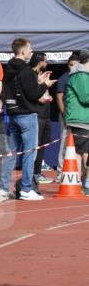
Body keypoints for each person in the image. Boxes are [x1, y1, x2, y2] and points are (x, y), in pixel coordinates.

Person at [0, 37, 52, 201]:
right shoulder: (26, 70)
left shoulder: (8, 68)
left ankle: (2, 188)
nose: (31, 51)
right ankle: (26, 189)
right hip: (27, 115)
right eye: (29, 48)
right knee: (30, 153)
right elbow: (34, 94)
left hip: (13, 114)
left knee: (11, 153)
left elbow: (10, 90)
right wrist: (44, 85)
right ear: (23, 51)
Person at [64, 49, 89, 192]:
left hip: (84, 118)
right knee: (83, 152)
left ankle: (81, 183)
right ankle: (82, 184)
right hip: (80, 119)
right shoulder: (81, 75)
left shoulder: (83, 75)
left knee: (83, 152)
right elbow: (86, 97)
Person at [29, 51, 54, 188]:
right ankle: (32, 174)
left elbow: (43, 93)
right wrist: (43, 96)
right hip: (36, 115)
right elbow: (35, 95)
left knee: (42, 146)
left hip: (46, 115)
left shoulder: (41, 75)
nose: (47, 63)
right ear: (39, 62)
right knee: (34, 146)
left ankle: (37, 172)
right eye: (45, 61)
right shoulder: (31, 75)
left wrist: (47, 96)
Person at [55, 52, 81, 176]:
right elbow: (59, 97)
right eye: (70, 65)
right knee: (65, 142)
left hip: (79, 115)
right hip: (67, 114)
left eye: (75, 65)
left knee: (80, 142)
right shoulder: (64, 78)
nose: (72, 67)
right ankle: (61, 170)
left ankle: (77, 169)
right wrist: (64, 113)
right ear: (67, 64)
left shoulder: (81, 77)